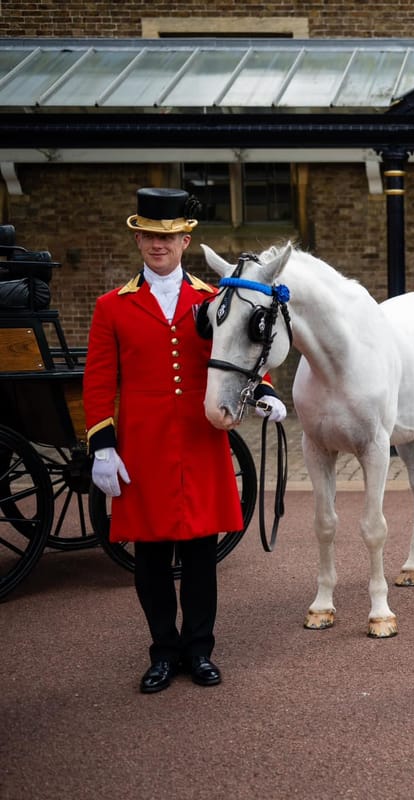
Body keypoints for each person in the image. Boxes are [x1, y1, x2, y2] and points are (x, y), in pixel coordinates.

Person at [83, 187, 287, 693]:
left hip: (199, 439)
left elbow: (236, 351)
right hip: (144, 445)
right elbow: (98, 380)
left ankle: (199, 650)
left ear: (185, 240)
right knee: (151, 557)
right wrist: (102, 446)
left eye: (168, 237)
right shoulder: (112, 306)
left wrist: (260, 392)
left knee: (200, 554)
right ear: (138, 239)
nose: (158, 245)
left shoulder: (211, 299)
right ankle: (162, 651)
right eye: (150, 236)